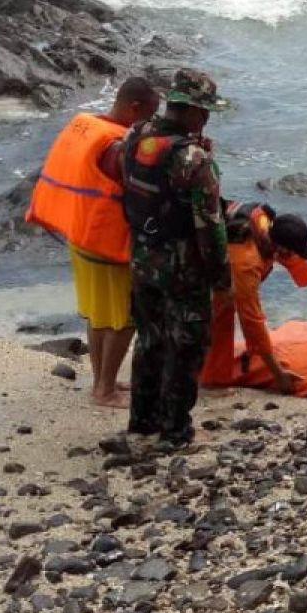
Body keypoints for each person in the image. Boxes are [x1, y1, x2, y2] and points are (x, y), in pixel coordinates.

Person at [25, 76, 160, 408]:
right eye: (150, 116)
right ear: (135, 108)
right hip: (106, 244)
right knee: (126, 319)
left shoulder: (86, 125)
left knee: (98, 315)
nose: (151, 124)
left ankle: (103, 381)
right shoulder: (116, 147)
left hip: (80, 237)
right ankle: (105, 391)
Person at [121, 69, 230, 450]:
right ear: (193, 111)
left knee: (149, 337)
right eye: (205, 112)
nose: (207, 119)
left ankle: (142, 420)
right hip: (182, 265)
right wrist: (221, 280)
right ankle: (176, 431)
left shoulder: (137, 135)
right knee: (186, 344)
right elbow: (210, 226)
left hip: (141, 256)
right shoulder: (194, 159)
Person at [198, 202, 307, 394]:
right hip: (196, 272)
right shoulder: (246, 264)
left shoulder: (264, 224)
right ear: (281, 248)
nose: (294, 255)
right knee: (221, 314)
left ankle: (207, 370)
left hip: (220, 260)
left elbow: (288, 255)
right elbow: (251, 320)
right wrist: (278, 374)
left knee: (222, 311)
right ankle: (212, 382)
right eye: (293, 250)